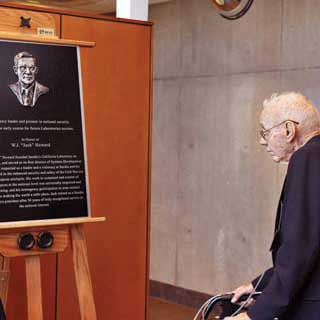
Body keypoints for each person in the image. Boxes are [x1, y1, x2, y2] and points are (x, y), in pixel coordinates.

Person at [225, 92, 320, 320]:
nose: (261, 141)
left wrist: (255, 315)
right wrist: (259, 283)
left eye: (265, 132)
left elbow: (300, 247)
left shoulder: (306, 159)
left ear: (288, 130)